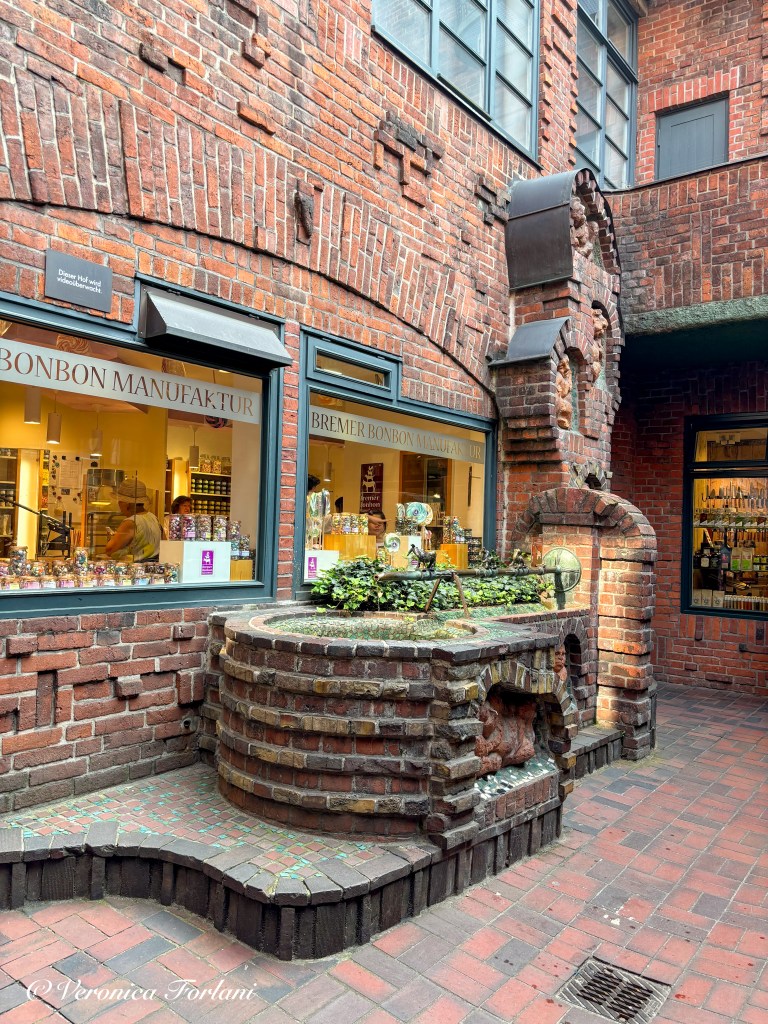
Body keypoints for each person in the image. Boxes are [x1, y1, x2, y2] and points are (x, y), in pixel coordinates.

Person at [105, 479, 162, 562]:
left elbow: (110, 549)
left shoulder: (130, 522)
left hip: (135, 570)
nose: (118, 503)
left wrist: (113, 538)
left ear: (127, 503)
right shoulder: (153, 517)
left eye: (120, 500)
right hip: (153, 568)